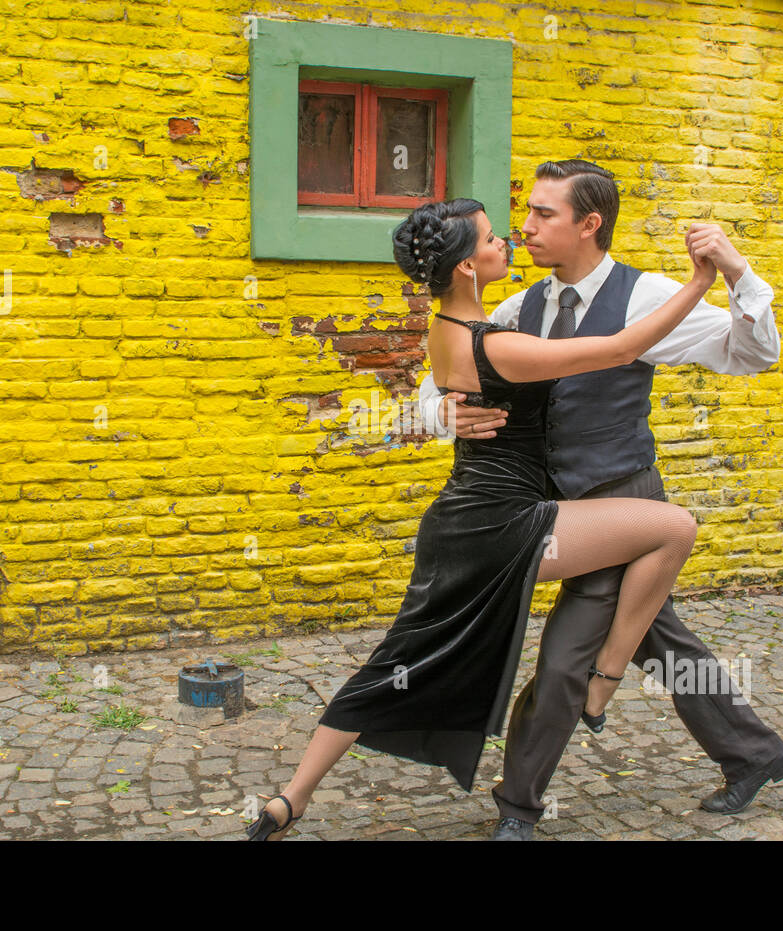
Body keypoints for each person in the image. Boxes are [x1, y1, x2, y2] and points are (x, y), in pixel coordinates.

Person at [245, 197, 719, 839]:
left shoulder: (446, 330)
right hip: (507, 524)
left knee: (395, 658)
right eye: (495, 240)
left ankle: (291, 798)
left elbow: (442, 403)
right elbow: (622, 348)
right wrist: (698, 281)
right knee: (675, 527)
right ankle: (604, 679)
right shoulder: (502, 345)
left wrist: (444, 414)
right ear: (468, 266)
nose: (510, 244)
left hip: (455, 522)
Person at [417, 159, 783, 841]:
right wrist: (445, 412)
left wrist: (738, 272)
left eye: (543, 215)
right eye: (525, 212)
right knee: (662, 640)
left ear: (589, 224)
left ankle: (517, 808)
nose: (524, 227)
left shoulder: (648, 295)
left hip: (624, 502)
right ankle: (757, 752)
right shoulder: (518, 305)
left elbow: (751, 352)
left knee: (565, 660)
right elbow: (440, 374)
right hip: (559, 512)